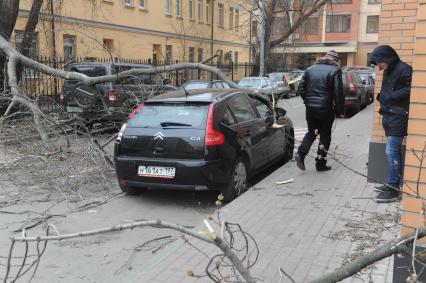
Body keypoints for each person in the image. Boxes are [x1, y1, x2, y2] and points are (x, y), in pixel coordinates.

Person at [369, 45, 413, 203]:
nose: (378, 67)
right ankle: (391, 184)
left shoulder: (405, 69)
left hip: (398, 117)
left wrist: (392, 96)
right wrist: (382, 96)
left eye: (379, 62)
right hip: (389, 115)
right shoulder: (389, 69)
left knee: (391, 152)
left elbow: (413, 89)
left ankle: (394, 188)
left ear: (387, 58)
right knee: (391, 151)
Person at [295, 50, 345, 172]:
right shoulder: (335, 70)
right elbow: (338, 93)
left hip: (310, 109)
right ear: (335, 60)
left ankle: (301, 154)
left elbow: (301, 89)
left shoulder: (310, 69)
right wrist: (340, 110)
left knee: (312, 132)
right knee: (325, 136)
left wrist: (308, 101)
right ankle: (320, 163)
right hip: (325, 109)